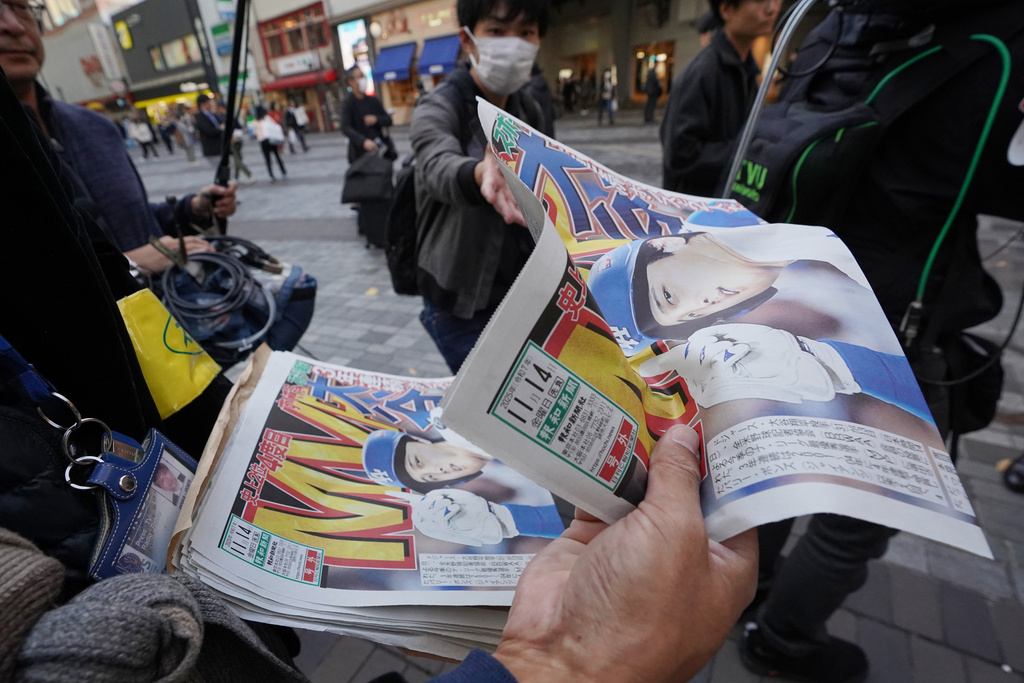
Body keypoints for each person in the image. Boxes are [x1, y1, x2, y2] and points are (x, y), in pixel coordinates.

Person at [734, 2, 1024, 681]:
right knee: (855, 521)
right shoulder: (998, 42)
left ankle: (748, 587)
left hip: (796, 301)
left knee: (783, 472)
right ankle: (781, 640)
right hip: (892, 333)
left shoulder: (831, 23)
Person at [1, 3, 237, 267]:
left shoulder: (95, 126)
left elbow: (139, 222)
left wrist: (193, 208)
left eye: (20, 7)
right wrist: (130, 265)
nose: (14, 25)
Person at [412, 0, 552, 373]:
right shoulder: (439, 105)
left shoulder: (530, 110)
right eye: (496, 31)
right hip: (460, 301)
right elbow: (435, 164)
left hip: (524, 291)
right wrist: (480, 173)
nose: (512, 44)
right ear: (467, 39)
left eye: (526, 32)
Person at [585, 227, 870, 357]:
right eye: (692, 316)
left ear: (666, 244)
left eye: (668, 297)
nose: (706, 304)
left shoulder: (727, 217)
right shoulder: (811, 271)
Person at [660, 0, 780, 197]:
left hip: (729, 201)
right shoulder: (702, 73)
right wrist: (751, 153)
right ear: (726, 9)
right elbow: (680, 155)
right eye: (759, 1)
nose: (771, 9)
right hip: (699, 206)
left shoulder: (747, 71)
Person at [339, 66, 394, 163]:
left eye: (364, 76)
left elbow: (388, 120)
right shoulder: (348, 103)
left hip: (380, 152)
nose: (363, 80)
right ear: (351, 82)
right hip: (359, 155)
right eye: (360, 77)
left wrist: (376, 119)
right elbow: (345, 127)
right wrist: (363, 141)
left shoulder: (373, 101)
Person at [253, 104, 287, 182]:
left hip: (262, 141)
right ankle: (283, 170)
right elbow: (275, 126)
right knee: (277, 155)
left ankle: (271, 174)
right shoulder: (267, 119)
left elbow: (255, 133)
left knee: (267, 159)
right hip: (271, 139)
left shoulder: (255, 122)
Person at [193, 92, 223, 159]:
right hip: (212, 149)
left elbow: (220, 123)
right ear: (203, 103)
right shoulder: (199, 117)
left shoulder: (212, 114)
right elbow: (209, 130)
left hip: (220, 147)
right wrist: (221, 129)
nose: (210, 104)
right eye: (209, 102)